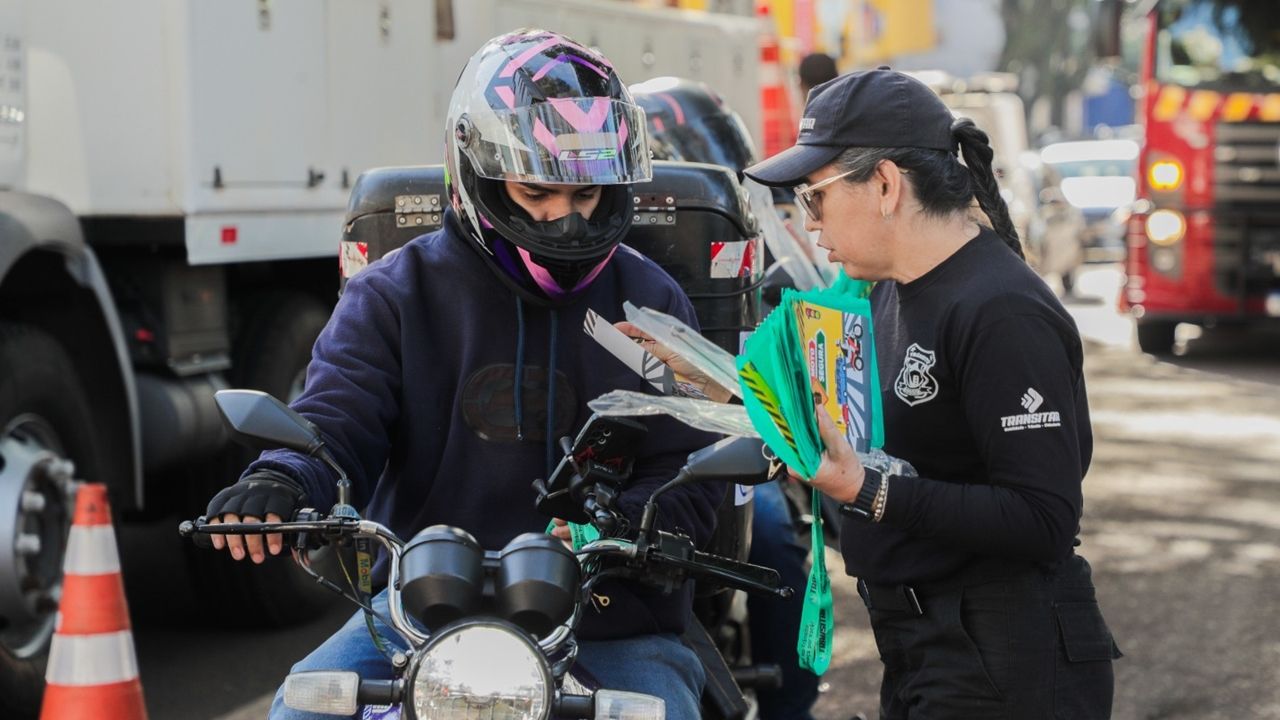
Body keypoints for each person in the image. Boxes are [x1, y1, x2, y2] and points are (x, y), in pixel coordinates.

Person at [201, 29, 722, 720]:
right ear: (478, 169)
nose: (567, 220)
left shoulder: (651, 305)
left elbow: (690, 462)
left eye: (589, 193)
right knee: (297, 710)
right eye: (539, 190)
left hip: (609, 620)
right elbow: (335, 417)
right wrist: (283, 479)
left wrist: (623, 522)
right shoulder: (392, 296)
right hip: (418, 618)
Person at [741, 67, 1121, 718]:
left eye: (814, 199)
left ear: (885, 184)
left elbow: (1044, 519)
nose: (811, 226)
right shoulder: (885, 286)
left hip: (1004, 659)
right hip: (922, 642)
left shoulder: (1001, 312)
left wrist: (870, 491)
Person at [629, 75, 821, 720]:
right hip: (617, 442)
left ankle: (790, 707)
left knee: (768, 534)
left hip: (732, 433)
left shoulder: (750, 236)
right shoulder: (603, 242)